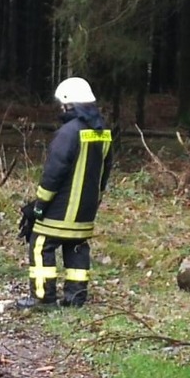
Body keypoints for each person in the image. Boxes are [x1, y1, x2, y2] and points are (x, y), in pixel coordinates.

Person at [17, 77, 113, 309]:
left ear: (69, 105)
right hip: (86, 211)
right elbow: (105, 171)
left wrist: (39, 204)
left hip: (61, 210)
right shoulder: (103, 133)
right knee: (77, 247)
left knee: (40, 243)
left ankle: (43, 298)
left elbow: (53, 174)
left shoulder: (68, 133)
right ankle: (75, 297)